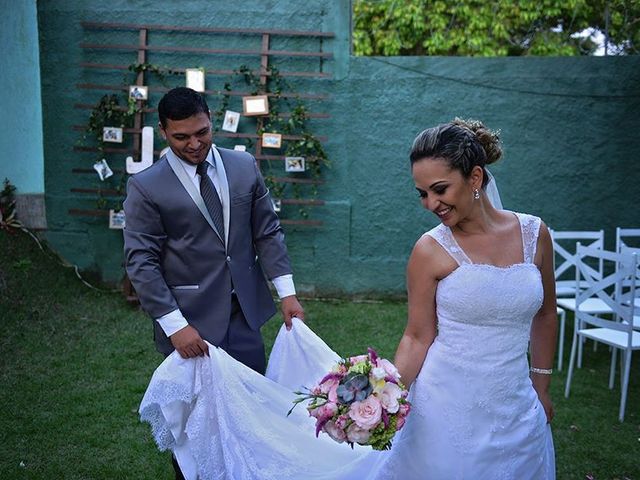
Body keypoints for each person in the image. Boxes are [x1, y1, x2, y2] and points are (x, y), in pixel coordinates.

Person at [138, 118, 557, 480]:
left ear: (477, 178)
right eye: (422, 194)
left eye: (440, 189)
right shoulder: (430, 250)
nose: (431, 204)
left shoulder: (534, 234)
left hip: (517, 402)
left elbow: (545, 315)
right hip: (448, 404)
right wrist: (381, 396)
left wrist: (540, 386)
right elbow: (416, 337)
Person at [124, 87, 304, 479]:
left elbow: (267, 232)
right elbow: (141, 262)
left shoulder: (243, 167)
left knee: (251, 413)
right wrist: (175, 327)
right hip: (191, 323)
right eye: (181, 137)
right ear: (164, 132)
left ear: (211, 119)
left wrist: (286, 293)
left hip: (245, 315)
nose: (194, 144)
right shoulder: (146, 187)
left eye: (202, 132)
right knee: (194, 427)